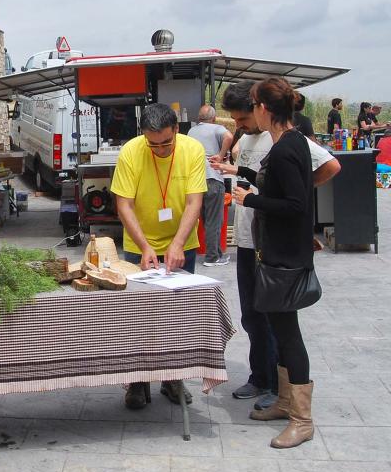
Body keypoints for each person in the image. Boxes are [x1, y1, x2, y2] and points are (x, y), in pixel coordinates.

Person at [212, 81, 339, 410]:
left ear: (262, 108)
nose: (242, 121)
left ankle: (296, 412)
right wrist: (240, 171)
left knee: (285, 333)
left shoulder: (285, 146)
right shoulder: (284, 140)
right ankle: (276, 392)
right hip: (266, 246)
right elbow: (281, 187)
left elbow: (297, 201)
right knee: (266, 322)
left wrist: (255, 199)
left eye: (249, 111)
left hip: (278, 253)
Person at [110, 102, 206, 410]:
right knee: (139, 317)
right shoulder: (131, 152)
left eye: (166, 143)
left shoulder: (192, 150)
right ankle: (138, 383)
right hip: (140, 245)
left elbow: (194, 203)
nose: (160, 150)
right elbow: (124, 204)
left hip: (182, 243)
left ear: (177, 129)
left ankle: (173, 379)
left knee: (178, 316)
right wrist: (146, 247)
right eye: (153, 145)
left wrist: (176, 245)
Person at [188, 105, 233, 267]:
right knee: (215, 219)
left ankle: (214, 253)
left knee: (202, 219)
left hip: (195, 180)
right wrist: (220, 156)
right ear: (213, 118)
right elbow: (229, 136)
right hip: (213, 178)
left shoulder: (191, 132)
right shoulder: (217, 128)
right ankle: (212, 257)